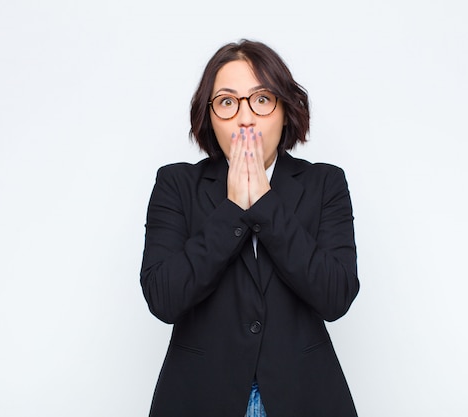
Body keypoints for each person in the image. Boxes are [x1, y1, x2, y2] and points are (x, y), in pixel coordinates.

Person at [140, 39, 360, 417]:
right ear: (208, 116)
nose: (245, 118)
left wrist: (264, 202)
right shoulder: (175, 184)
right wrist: (232, 208)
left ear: (286, 111)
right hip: (200, 396)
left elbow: (336, 295)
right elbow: (163, 298)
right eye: (227, 102)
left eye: (261, 100)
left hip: (303, 396)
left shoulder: (325, 184)